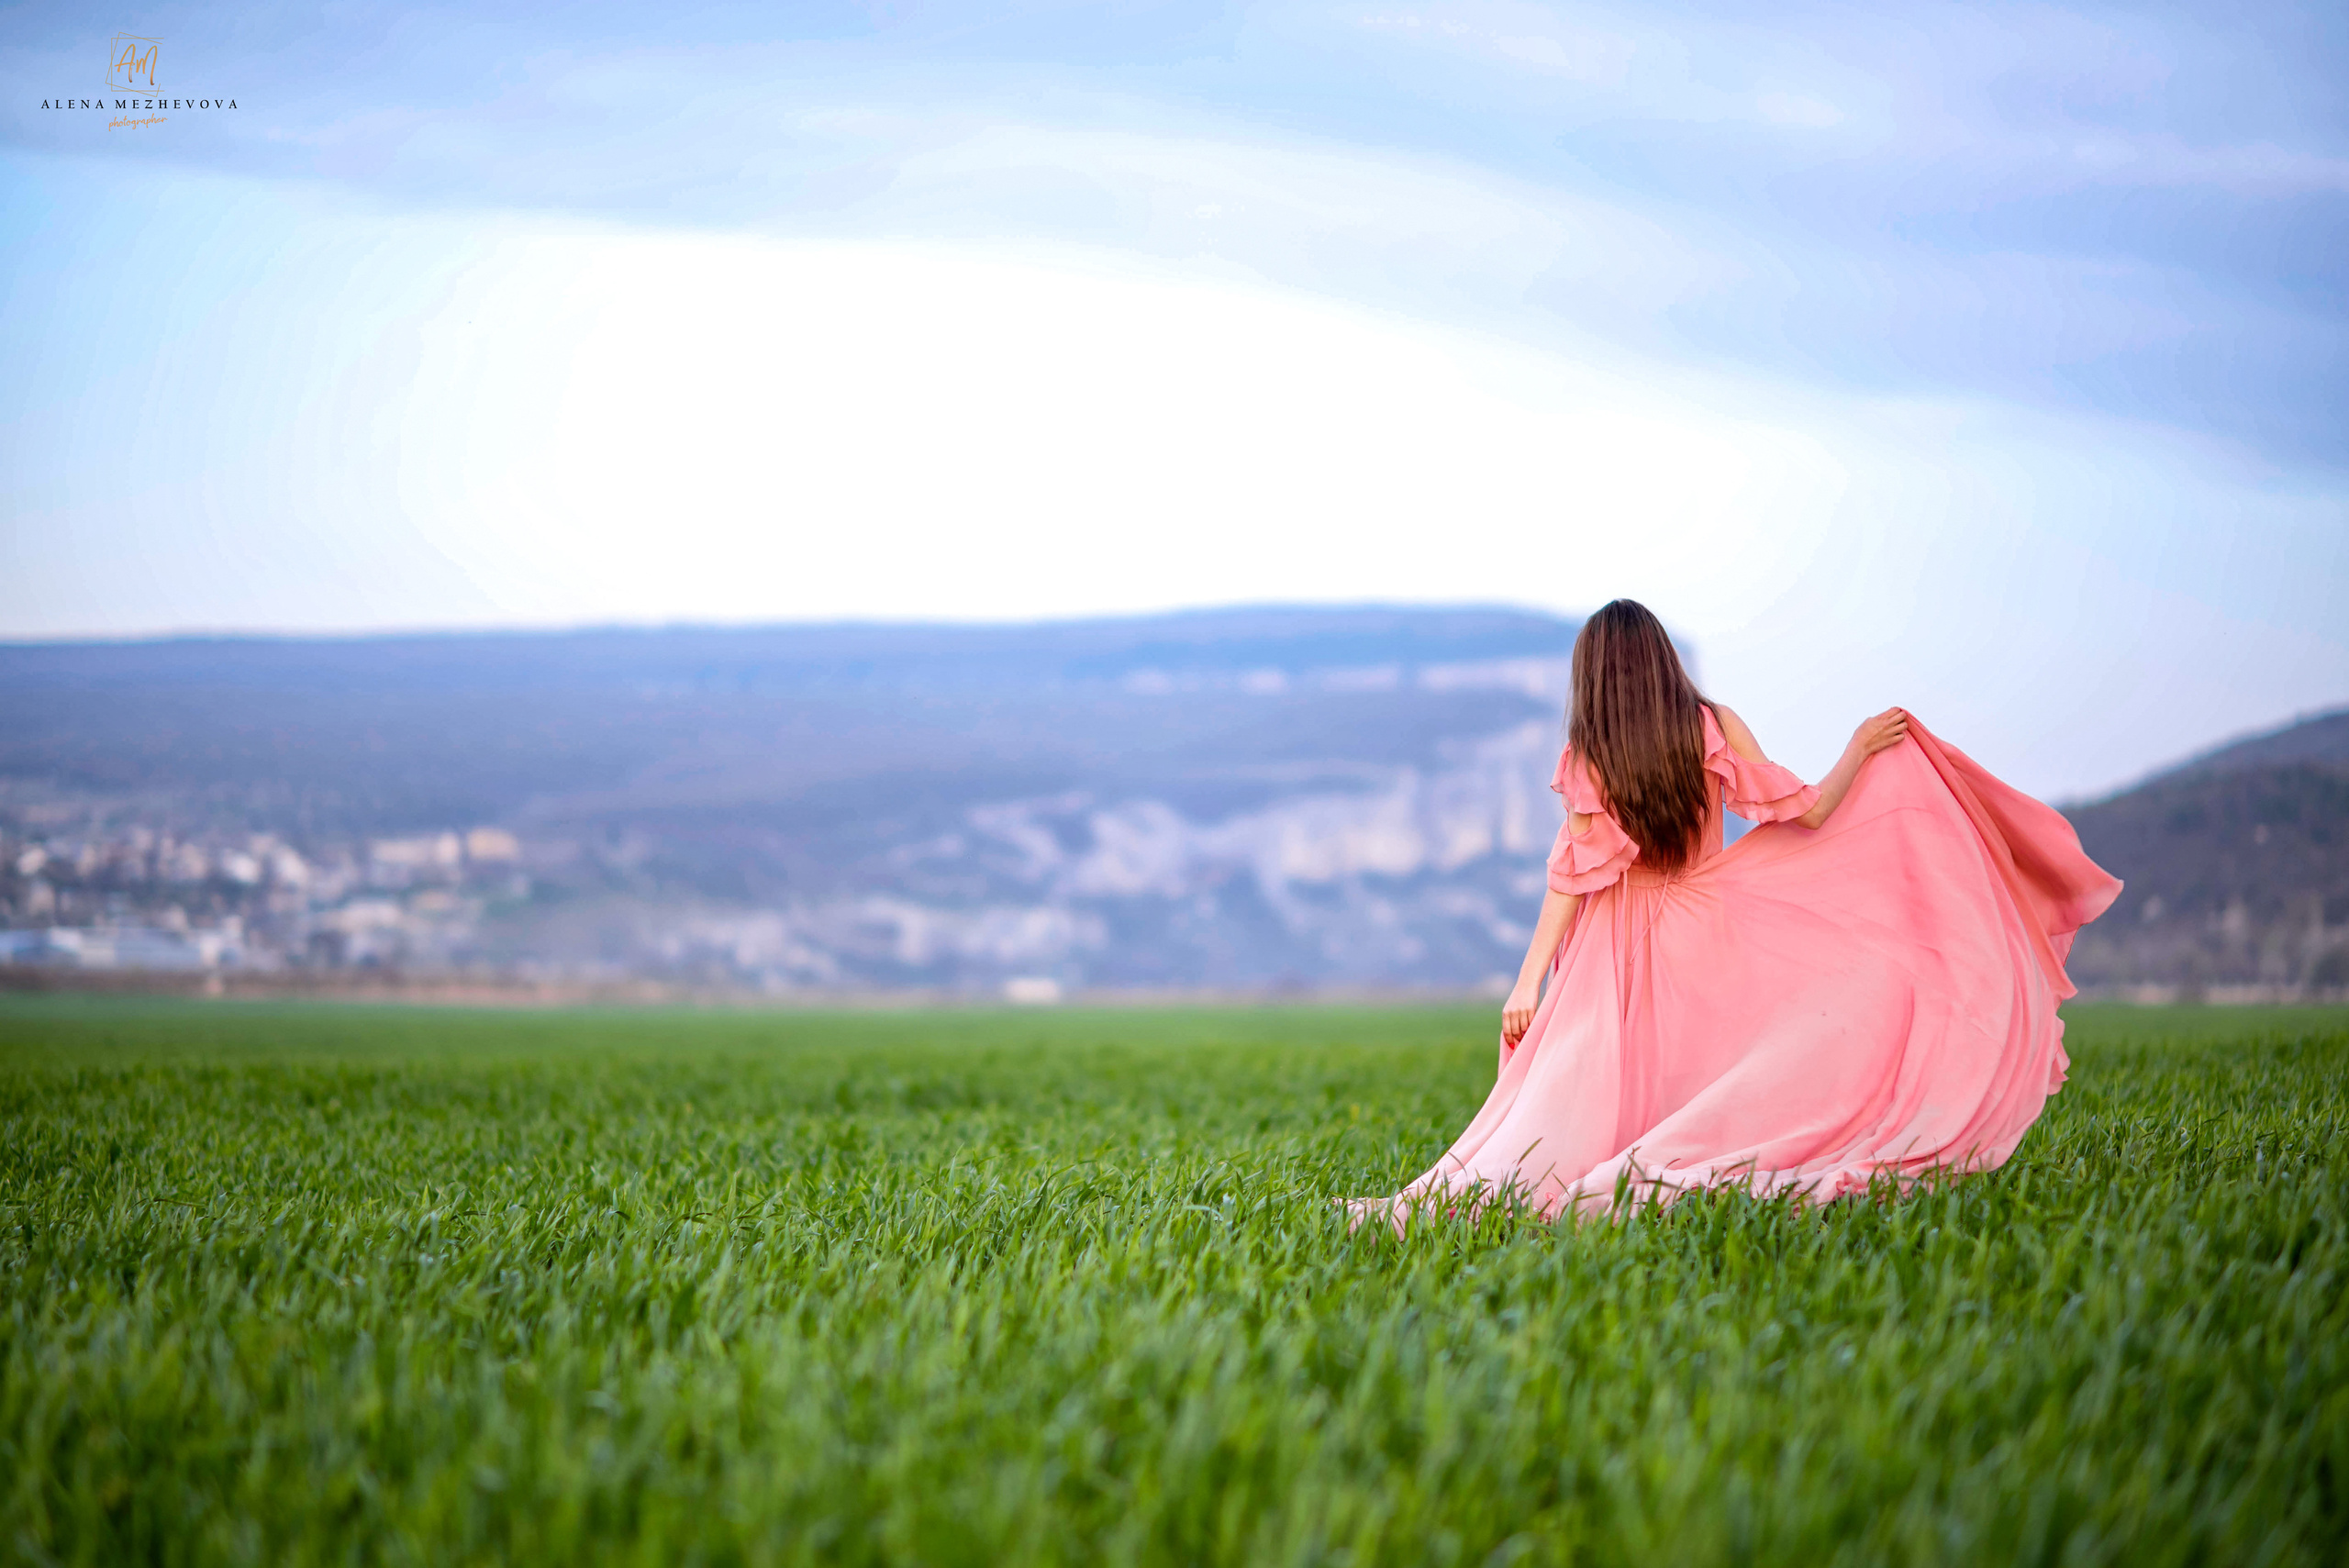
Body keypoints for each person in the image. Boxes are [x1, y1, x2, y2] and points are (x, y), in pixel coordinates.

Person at [1356, 599, 2121, 1226]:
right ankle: (1650, 1175)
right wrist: (1857, 750)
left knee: (1579, 1099)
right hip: (1703, 929)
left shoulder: (1589, 752)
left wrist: (1528, 981)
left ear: (1593, 676)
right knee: (1685, 1084)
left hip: (1612, 944)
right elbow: (1807, 812)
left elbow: (1570, 875)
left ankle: (1586, 1184)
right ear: (1661, 659)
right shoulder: (1712, 724)